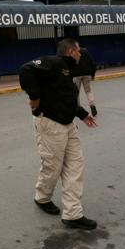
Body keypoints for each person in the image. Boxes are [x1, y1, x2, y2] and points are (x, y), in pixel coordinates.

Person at [18, 38, 99, 230]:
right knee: (52, 167)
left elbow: (65, 96)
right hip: (50, 124)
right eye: (79, 50)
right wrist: (35, 100)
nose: (81, 54)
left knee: (75, 166)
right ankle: (42, 197)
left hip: (68, 124)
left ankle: (73, 214)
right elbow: (26, 69)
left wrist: (82, 114)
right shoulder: (54, 62)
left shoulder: (68, 70)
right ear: (71, 51)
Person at [73, 48, 98, 116]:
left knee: (76, 92)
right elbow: (93, 64)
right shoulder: (87, 53)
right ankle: (92, 105)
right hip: (87, 74)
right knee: (88, 91)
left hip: (76, 75)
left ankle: (78, 108)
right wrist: (93, 74)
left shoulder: (73, 54)